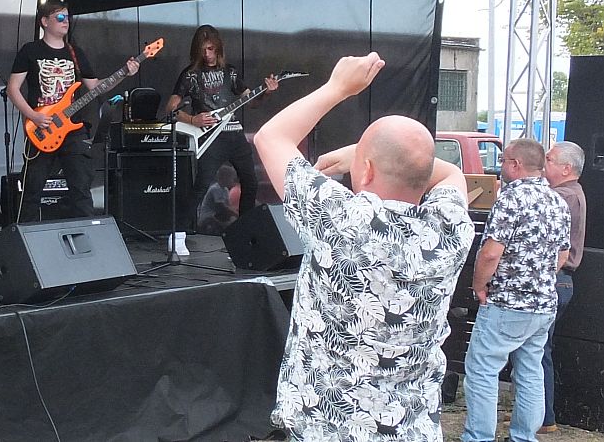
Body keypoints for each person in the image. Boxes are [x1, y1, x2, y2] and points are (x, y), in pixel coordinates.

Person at [253, 52, 475, 441]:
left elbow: (270, 137)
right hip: (411, 431)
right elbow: (451, 173)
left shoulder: (341, 219)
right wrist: (367, 154)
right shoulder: (451, 229)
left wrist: (337, 88)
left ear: (367, 169)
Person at [461, 138, 571, 442]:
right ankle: (524, 436)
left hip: (506, 302)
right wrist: (539, 277)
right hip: (543, 303)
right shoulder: (557, 202)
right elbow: (562, 255)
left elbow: (491, 253)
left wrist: (479, 285)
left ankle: (479, 436)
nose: (501, 167)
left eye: (504, 161)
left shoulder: (510, 199)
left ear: (516, 164)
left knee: (483, 370)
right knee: (531, 371)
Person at [7, 0, 138, 223]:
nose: (65, 21)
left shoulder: (75, 52)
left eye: (67, 17)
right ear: (44, 21)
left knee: (81, 189)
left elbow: (95, 87)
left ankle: (85, 236)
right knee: (32, 190)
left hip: (72, 129)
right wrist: (33, 115)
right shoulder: (30, 51)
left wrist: (124, 72)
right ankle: (27, 237)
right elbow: (12, 89)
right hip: (41, 127)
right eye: (60, 17)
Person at [166, 25, 277, 233]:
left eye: (210, 49)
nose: (207, 54)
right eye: (202, 50)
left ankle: (245, 233)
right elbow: (171, 108)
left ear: (218, 48)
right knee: (201, 186)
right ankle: (177, 235)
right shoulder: (190, 75)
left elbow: (251, 102)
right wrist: (192, 119)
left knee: (250, 182)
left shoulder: (230, 72)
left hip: (234, 134)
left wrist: (267, 92)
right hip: (211, 137)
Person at [539, 140, 586, 434]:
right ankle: (537, 413)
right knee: (537, 350)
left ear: (566, 168)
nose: (544, 164)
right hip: (562, 281)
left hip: (555, 279)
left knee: (537, 351)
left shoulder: (561, 198)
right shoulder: (570, 194)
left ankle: (544, 417)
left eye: (550, 159)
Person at [196, 164, 238, 235]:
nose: (232, 180)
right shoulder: (215, 188)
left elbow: (228, 206)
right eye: (231, 178)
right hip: (208, 217)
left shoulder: (225, 190)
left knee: (233, 220)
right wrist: (236, 213)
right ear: (224, 177)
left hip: (218, 216)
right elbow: (222, 207)